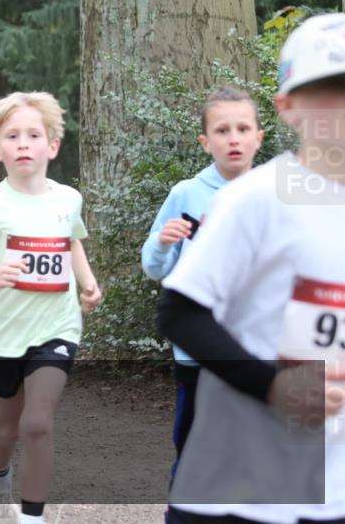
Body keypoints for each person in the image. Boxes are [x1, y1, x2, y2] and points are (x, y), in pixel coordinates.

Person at [157, 12, 345, 524]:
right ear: (287, 108)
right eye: (329, 89)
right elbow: (178, 313)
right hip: (239, 492)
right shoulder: (256, 199)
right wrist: (274, 386)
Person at [0, 91, 102, 524]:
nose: (23, 143)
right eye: (12, 136)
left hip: (56, 327)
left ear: (52, 146)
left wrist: (88, 283)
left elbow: (71, 242)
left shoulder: (67, 199)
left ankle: (32, 517)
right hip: (4, 335)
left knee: (37, 424)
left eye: (33, 135)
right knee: (7, 428)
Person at [141, 87, 264, 488]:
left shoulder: (275, 195)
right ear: (205, 141)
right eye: (222, 130)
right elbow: (154, 269)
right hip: (198, 353)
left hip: (259, 348)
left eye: (243, 128)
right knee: (193, 446)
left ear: (259, 137)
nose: (233, 138)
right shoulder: (186, 194)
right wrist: (163, 243)